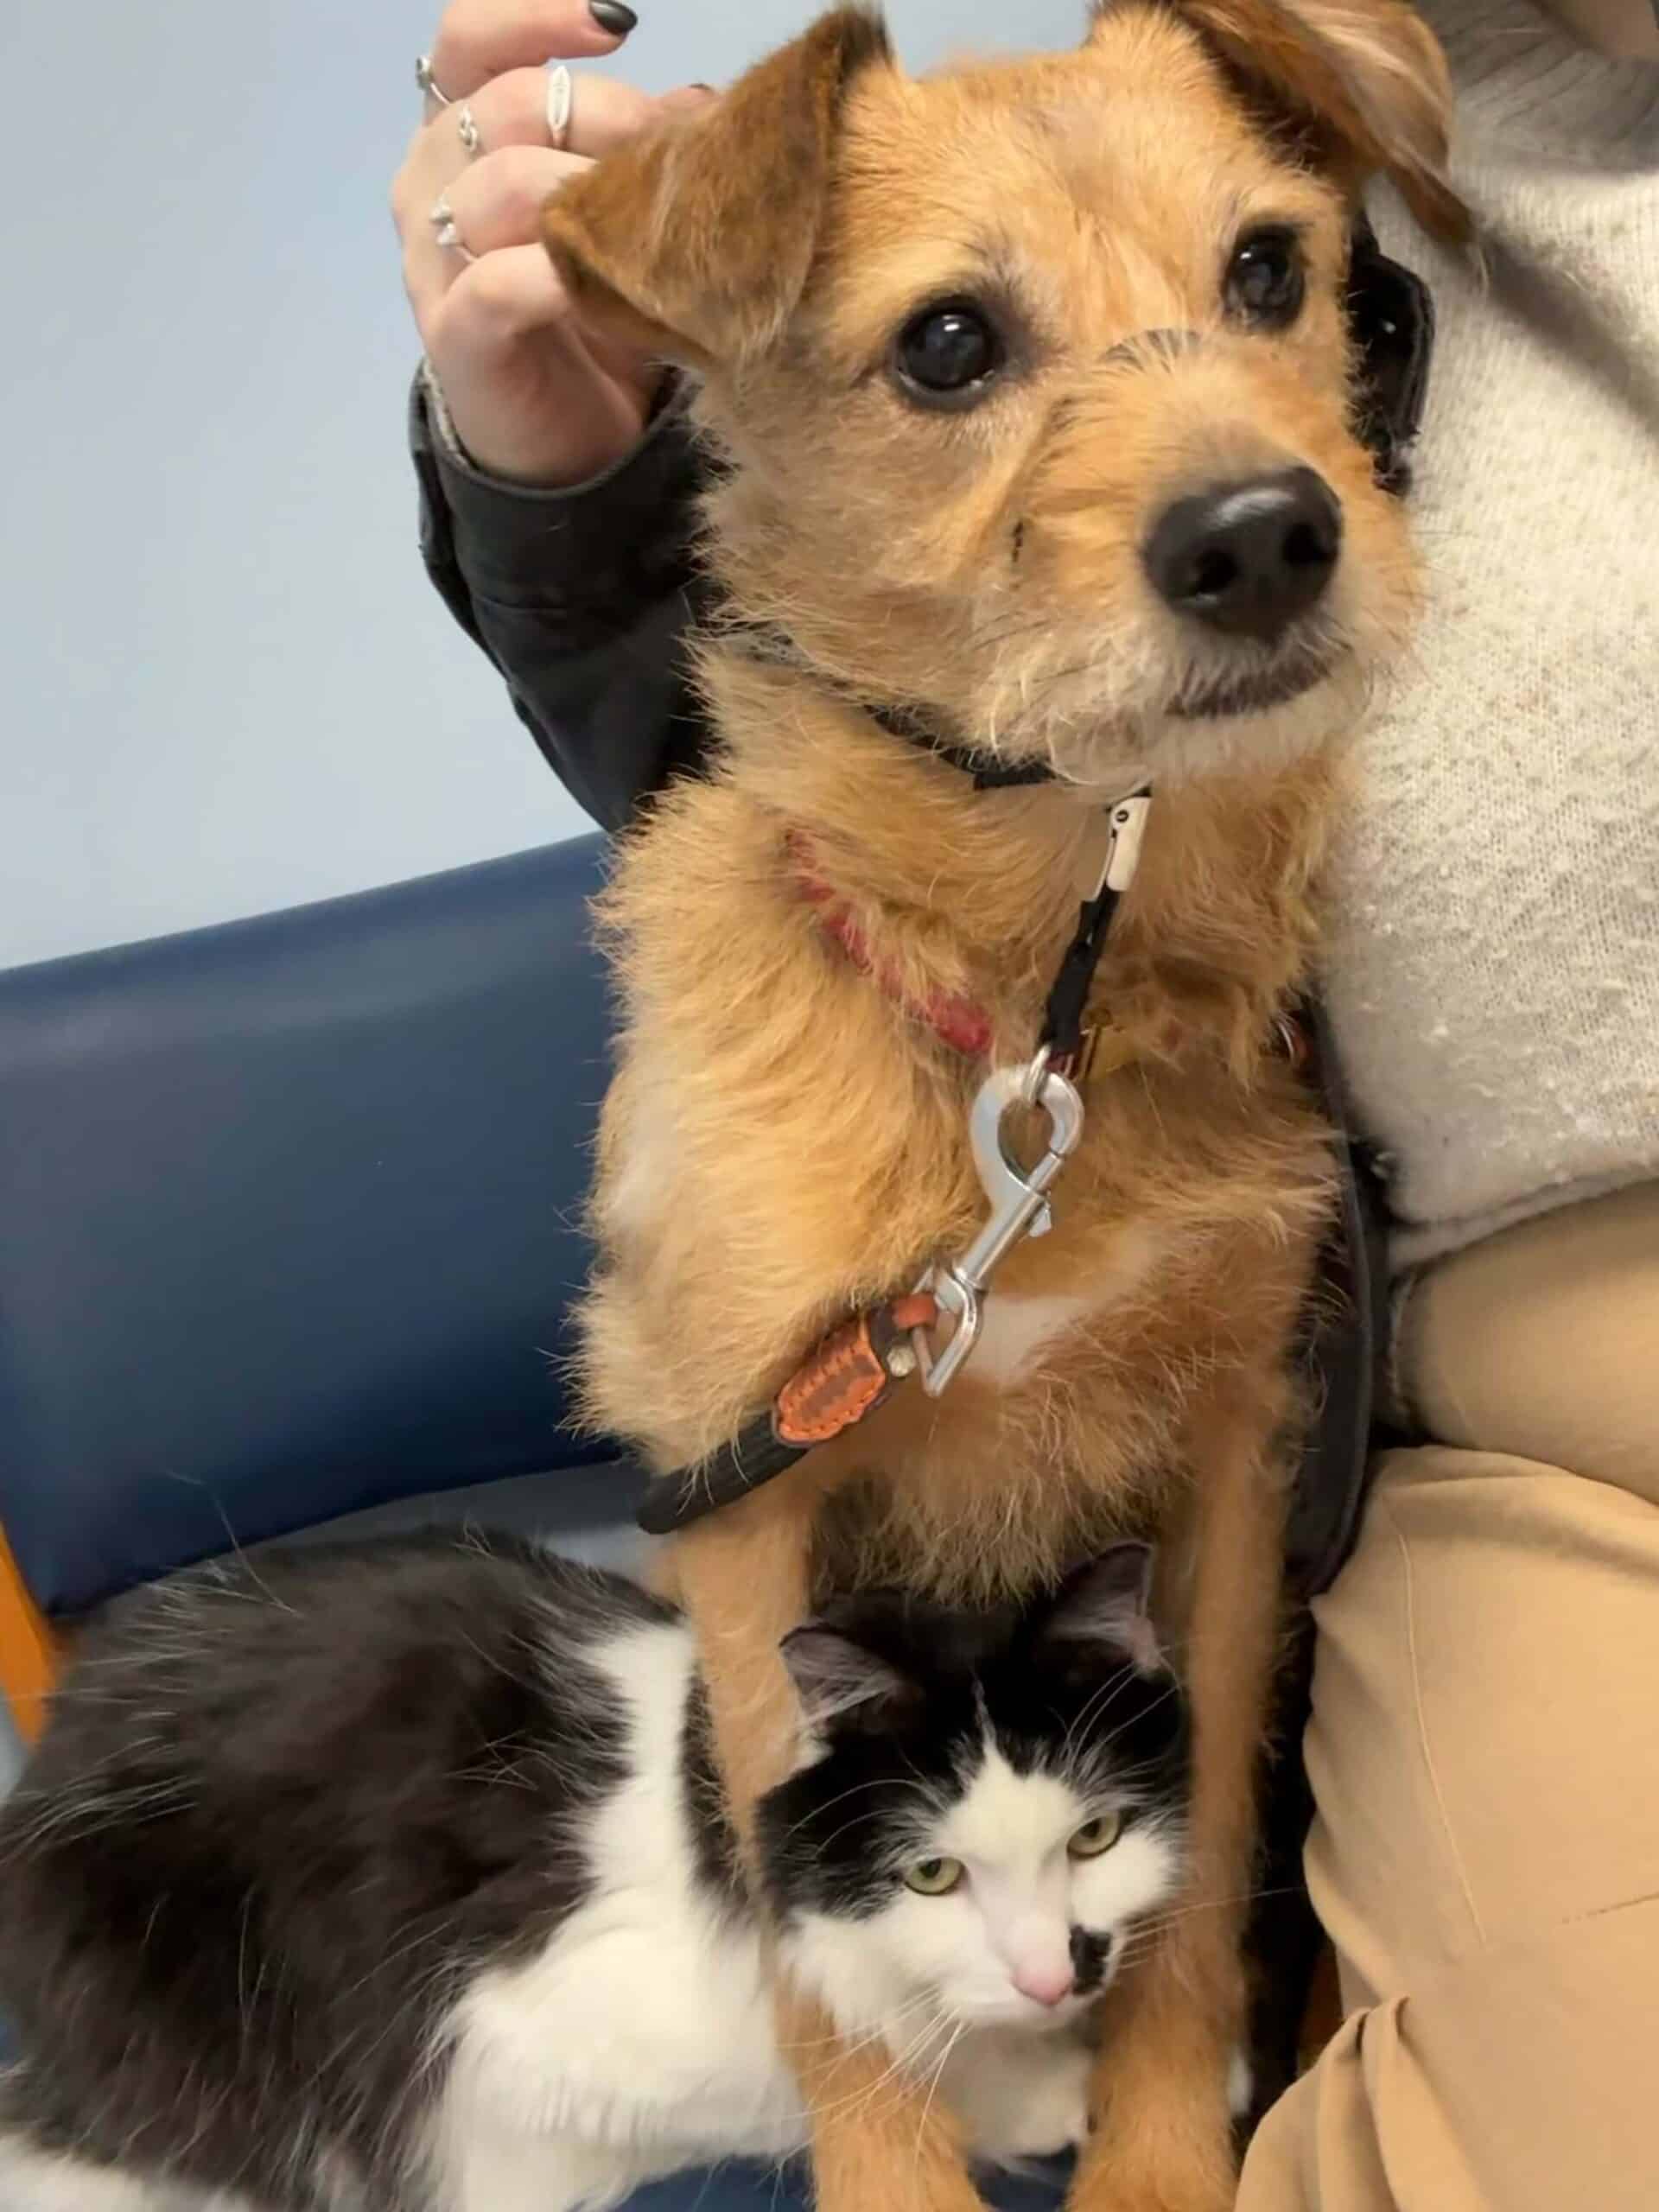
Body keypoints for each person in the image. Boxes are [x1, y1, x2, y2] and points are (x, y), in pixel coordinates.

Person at [391, 0, 1659, 2202]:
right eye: (958, 344)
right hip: (1480, 1395)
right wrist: (561, 477)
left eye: (1263, 273)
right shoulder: (1362, 75)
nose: (1236, 482)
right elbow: (846, 686)